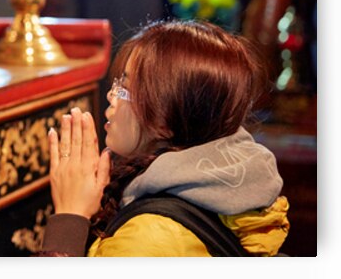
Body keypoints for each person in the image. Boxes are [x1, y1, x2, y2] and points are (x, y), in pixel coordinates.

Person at [40, 19, 290, 257]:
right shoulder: (231, 185)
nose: (111, 95)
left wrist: (69, 217)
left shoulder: (147, 240)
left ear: (164, 120)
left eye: (125, 88)